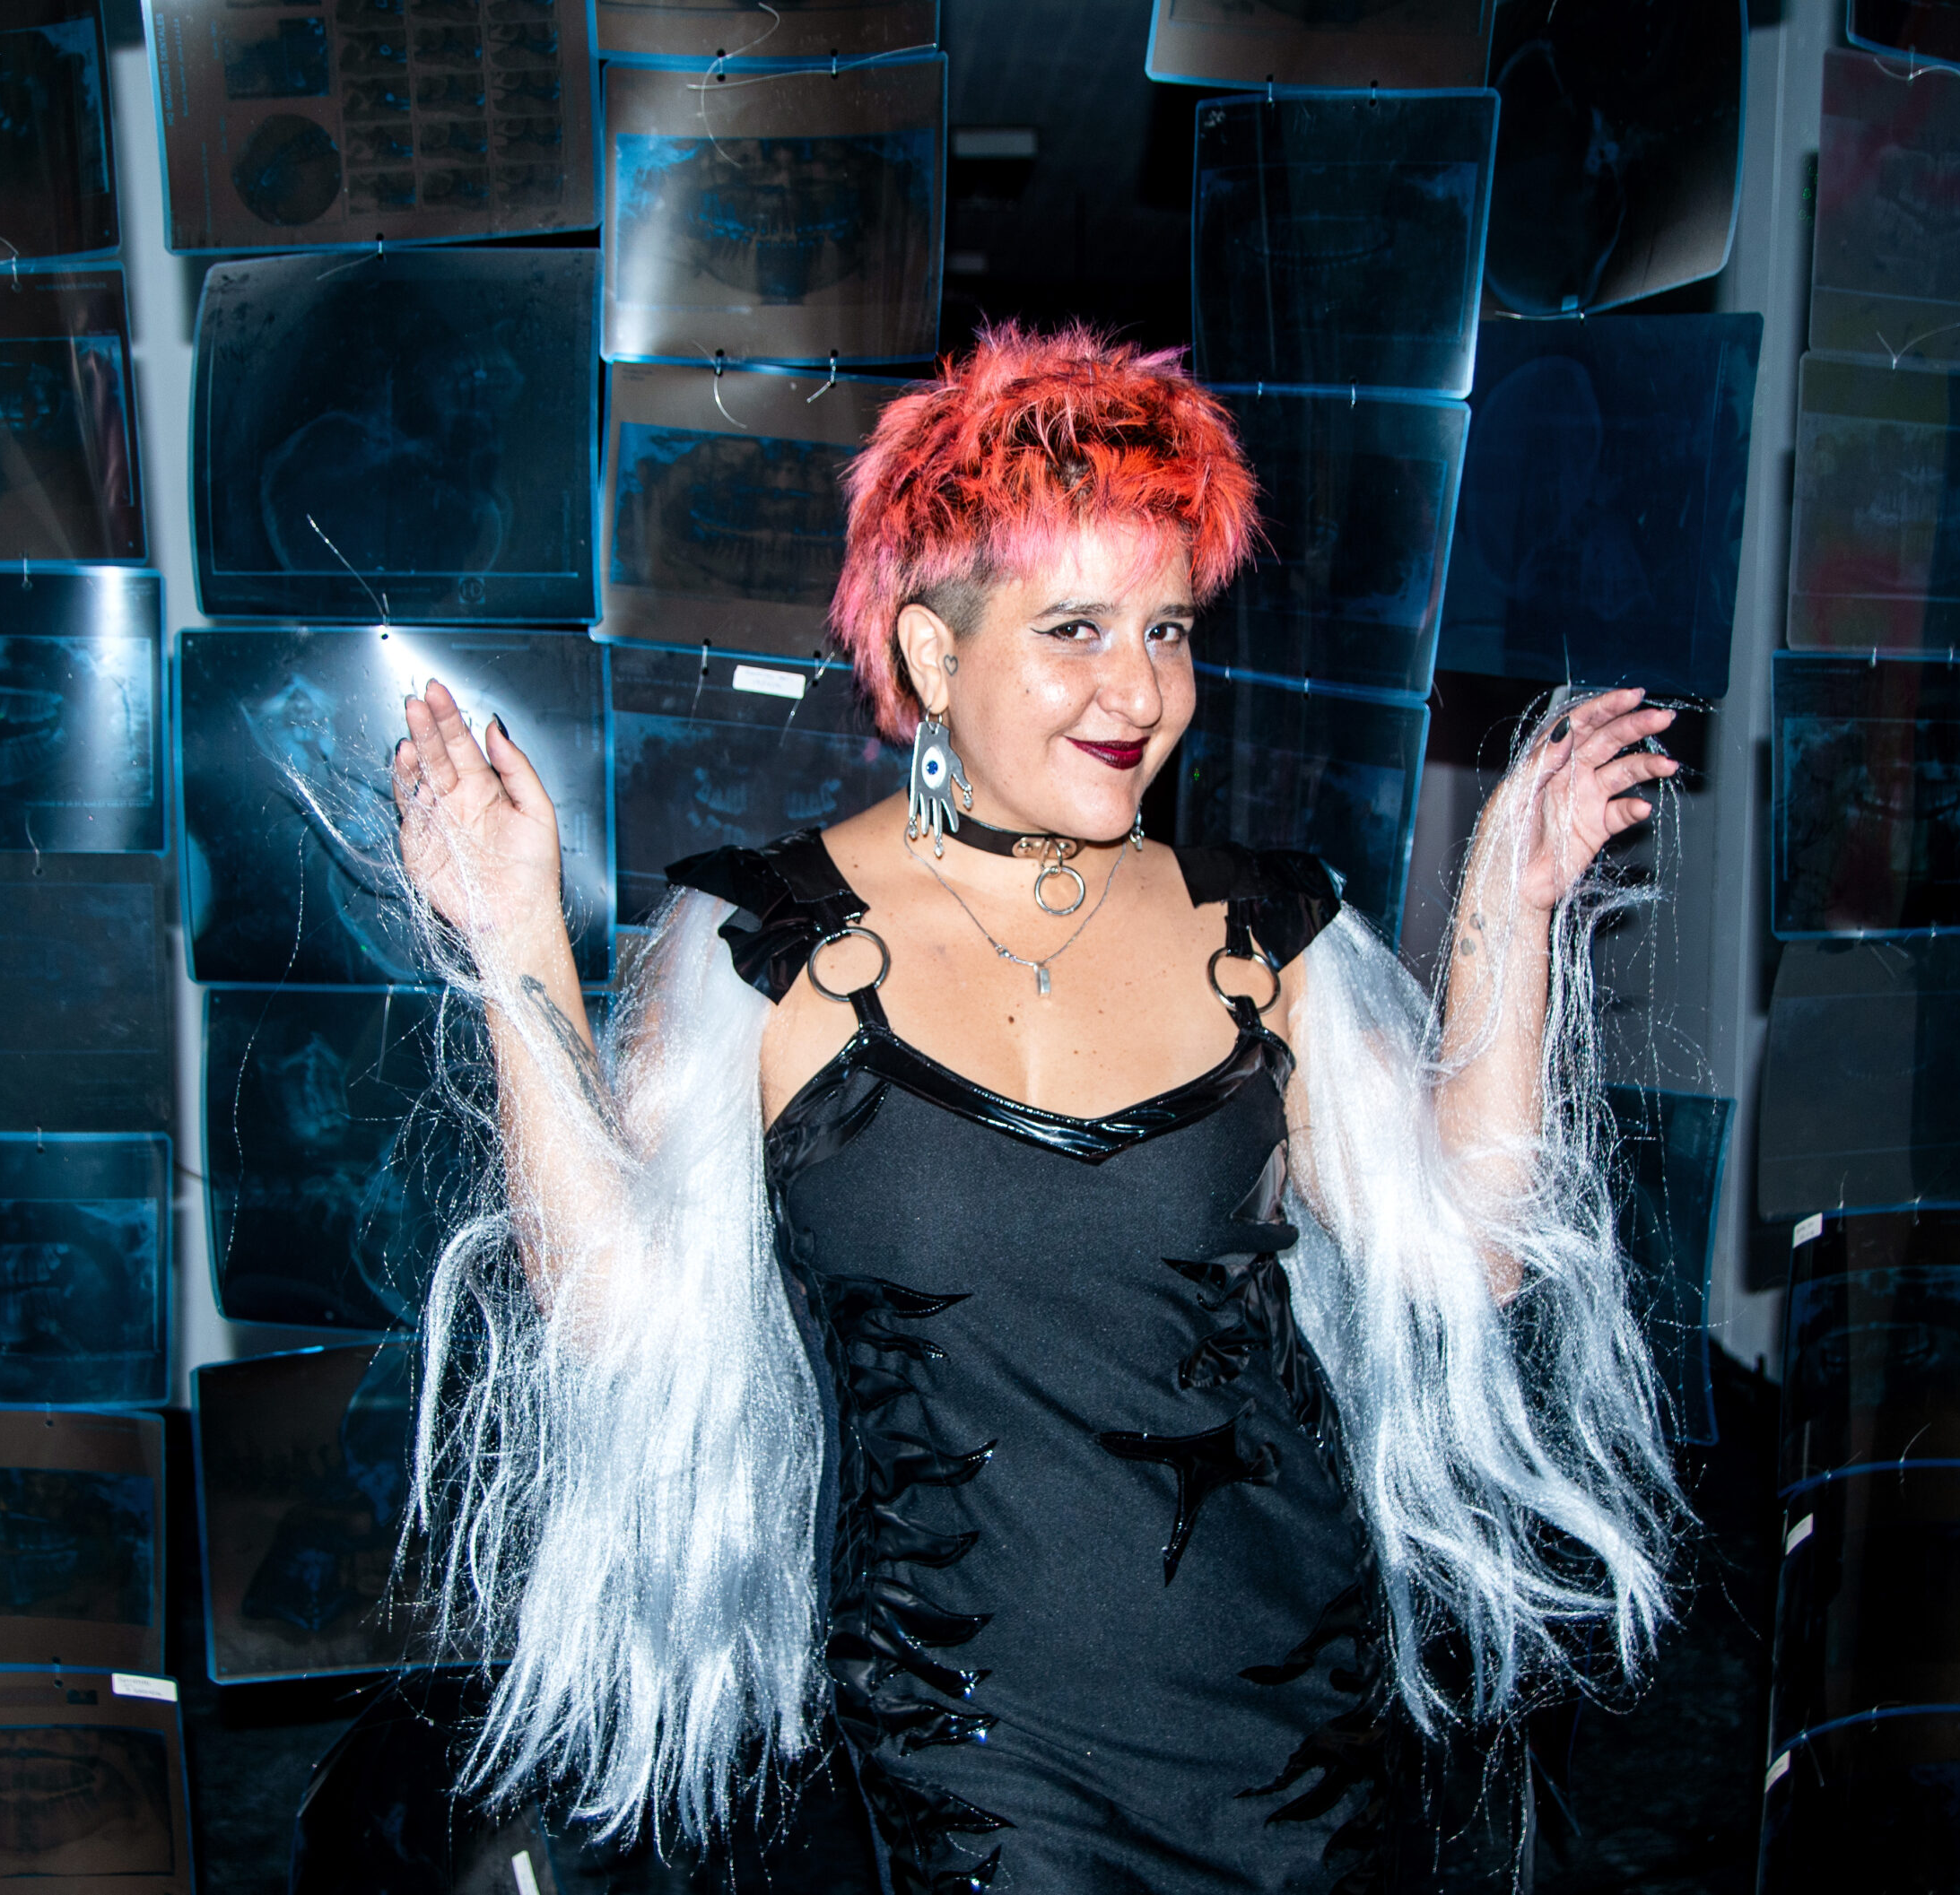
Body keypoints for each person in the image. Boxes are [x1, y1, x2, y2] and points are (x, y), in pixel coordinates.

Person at [392, 325, 1682, 1893]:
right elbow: (604, 1311)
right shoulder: (763, 954)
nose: (1139, 690)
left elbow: (1469, 1257)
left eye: (1168, 628)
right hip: (962, 1765)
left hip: (1293, 1746)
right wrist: (514, 942)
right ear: (933, 659)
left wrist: (1509, 908)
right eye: (1075, 629)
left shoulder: (1266, 934)